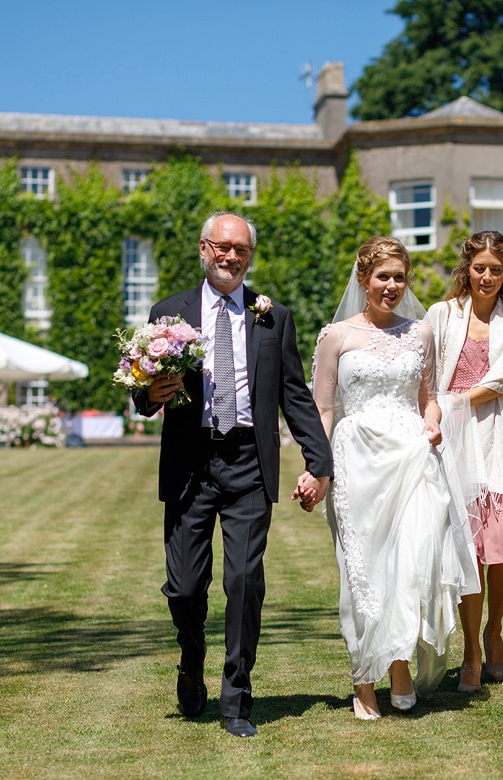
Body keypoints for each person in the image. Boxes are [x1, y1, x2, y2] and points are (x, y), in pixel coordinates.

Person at [132, 212, 333, 738]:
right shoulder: (168, 312)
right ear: (203, 248)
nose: (231, 256)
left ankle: (236, 699)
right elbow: (144, 385)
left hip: (248, 461)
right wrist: (145, 397)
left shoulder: (273, 317)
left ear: (250, 255)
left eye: (241, 249)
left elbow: (294, 392)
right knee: (183, 589)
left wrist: (320, 460)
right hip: (189, 465)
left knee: (244, 582)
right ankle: (190, 658)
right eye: (223, 247)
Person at [312, 236, 479, 720]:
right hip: (357, 460)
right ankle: (364, 678)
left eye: (399, 277)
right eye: (382, 276)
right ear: (364, 279)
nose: (391, 285)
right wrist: (316, 467)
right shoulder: (336, 337)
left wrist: (432, 419)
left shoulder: (420, 333)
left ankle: (400, 667)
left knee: (411, 565)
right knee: (362, 569)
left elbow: (428, 395)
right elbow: (323, 408)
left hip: (413, 458)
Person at [424, 230, 503, 693]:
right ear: (467, 269)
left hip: (496, 431)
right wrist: (438, 413)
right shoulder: (442, 314)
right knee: (467, 545)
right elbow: (425, 370)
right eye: (480, 267)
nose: (487, 276)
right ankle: (472, 653)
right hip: (448, 437)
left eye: (496, 269)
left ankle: (493, 627)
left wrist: (455, 402)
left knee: (502, 538)